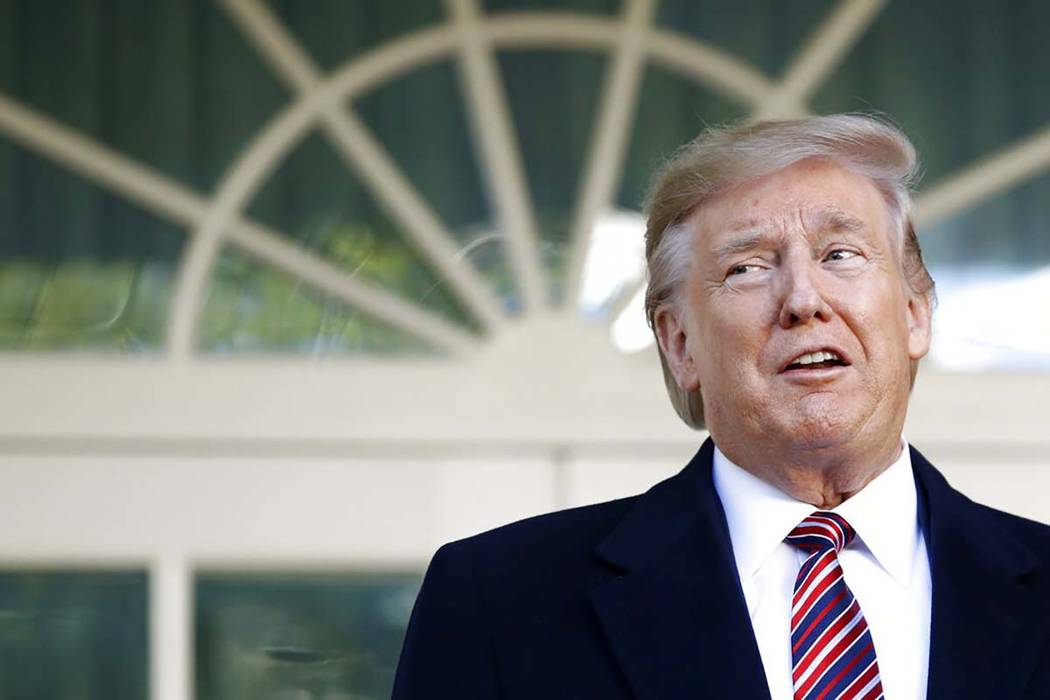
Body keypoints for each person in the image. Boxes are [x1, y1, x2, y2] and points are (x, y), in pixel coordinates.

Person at [392, 115, 1050, 699]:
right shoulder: (498, 602)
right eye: (749, 267)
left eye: (840, 254)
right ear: (680, 344)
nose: (803, 299)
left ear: (914, 314)